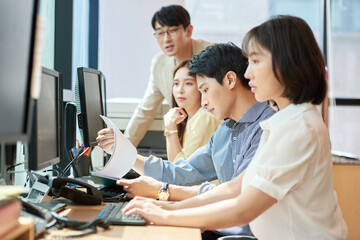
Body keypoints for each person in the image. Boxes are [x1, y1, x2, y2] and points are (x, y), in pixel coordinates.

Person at [122, 15, 348, 240]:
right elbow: (234, 188)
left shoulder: (298, 128)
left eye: (256, 62)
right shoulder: (283, 122)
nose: (248, 73)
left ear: (286, 63)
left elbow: (243, 209)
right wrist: (168, 208)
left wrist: (164, 213)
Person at [97, 42, 275, 238]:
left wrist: (165, 201)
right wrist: (126, 154)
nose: (204, 101)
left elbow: (237, 194)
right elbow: (182, 171)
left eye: (205, 89)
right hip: (220, 228)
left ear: (230, 80)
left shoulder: (268, 127)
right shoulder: (224, 130)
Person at [124, 5, 212, 147]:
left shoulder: (211, 54)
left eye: (172, 31)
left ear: (188, 31)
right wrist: (123, 149)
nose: (166, 39)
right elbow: (145, 110)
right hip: (186, 136)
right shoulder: (159, 64)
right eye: (160, 32)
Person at [164, 60, 221, 162]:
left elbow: (180, 171)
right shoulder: (192, 118)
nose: (180, 90)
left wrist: (170, 127)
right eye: (176, 83)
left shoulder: (203, 117)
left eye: (188, 83)